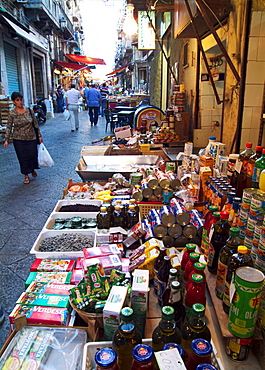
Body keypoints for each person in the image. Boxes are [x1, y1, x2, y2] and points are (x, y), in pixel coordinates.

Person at [3, 92, 43, 184]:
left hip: (31, 137)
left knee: (32, 156)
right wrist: (6, 139)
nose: (20, 102)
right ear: (13, 102)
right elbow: (9, 126)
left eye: (21, 99)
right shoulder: (12, 113)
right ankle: (26, 175)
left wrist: (39, 136)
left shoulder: (29, 110)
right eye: (17, 100)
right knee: (22, 157)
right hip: (18, 139)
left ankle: (32, 169)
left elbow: (35, 124)